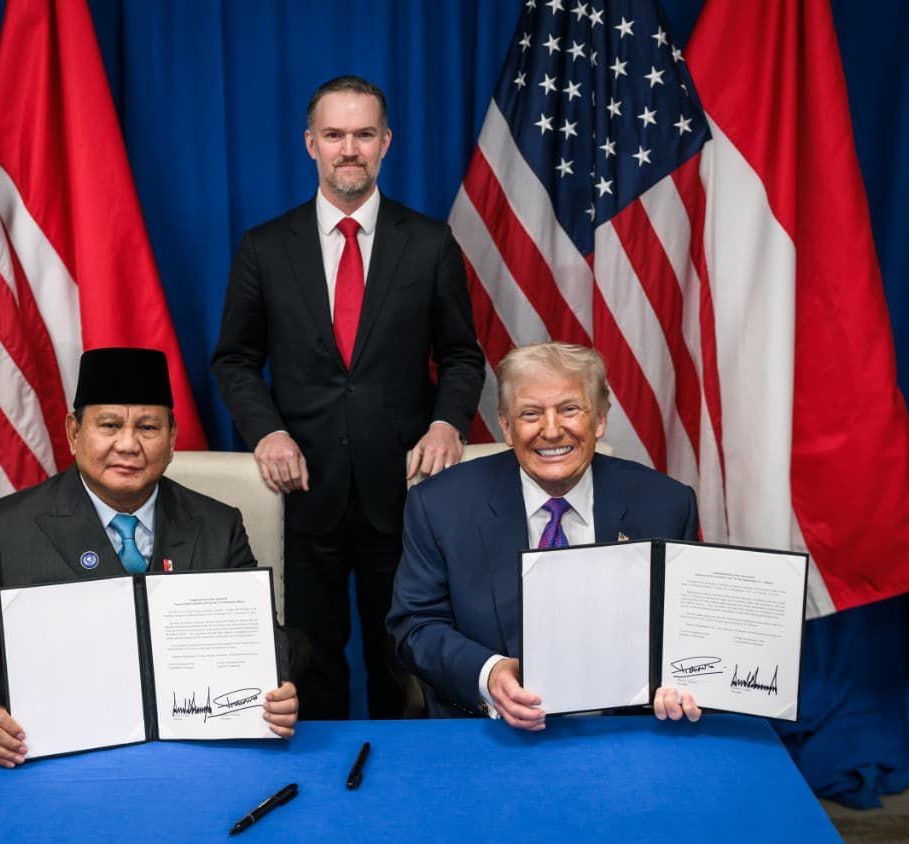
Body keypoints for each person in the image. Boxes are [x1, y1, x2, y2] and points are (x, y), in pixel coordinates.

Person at [211, 75, 485, 720]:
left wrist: (447, 424)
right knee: (311, 659)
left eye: (364, 134)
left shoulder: (430, 243)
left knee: (405, 659)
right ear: (311, 144)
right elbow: (235, 360)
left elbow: (462, 355)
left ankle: (407, 773)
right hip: (304, 489)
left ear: (386, 142)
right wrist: (268, 432)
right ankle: (322, 776)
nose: (349, 149)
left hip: (407, 491)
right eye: (334, 135)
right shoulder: (265, 247)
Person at [0, 347, 299, 767]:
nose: (128, 445)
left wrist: (276, 685)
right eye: (110, 425)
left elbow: (262, 635)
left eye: (148, 427)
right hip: (49, 759)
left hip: (192, 756)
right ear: (74, 432)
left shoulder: (218, 525)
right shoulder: (10, 527)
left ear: (172, 438)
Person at [386, 342, 702, 730]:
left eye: (569, 410)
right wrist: (489, 674)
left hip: (625, 730)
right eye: (530, 413)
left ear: (600, 419)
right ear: (506, 426)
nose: (551, 431)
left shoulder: (666, 504)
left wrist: (682, 679)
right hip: (488, 731)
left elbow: (689, 629)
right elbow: (415, 626)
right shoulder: (440, 506)